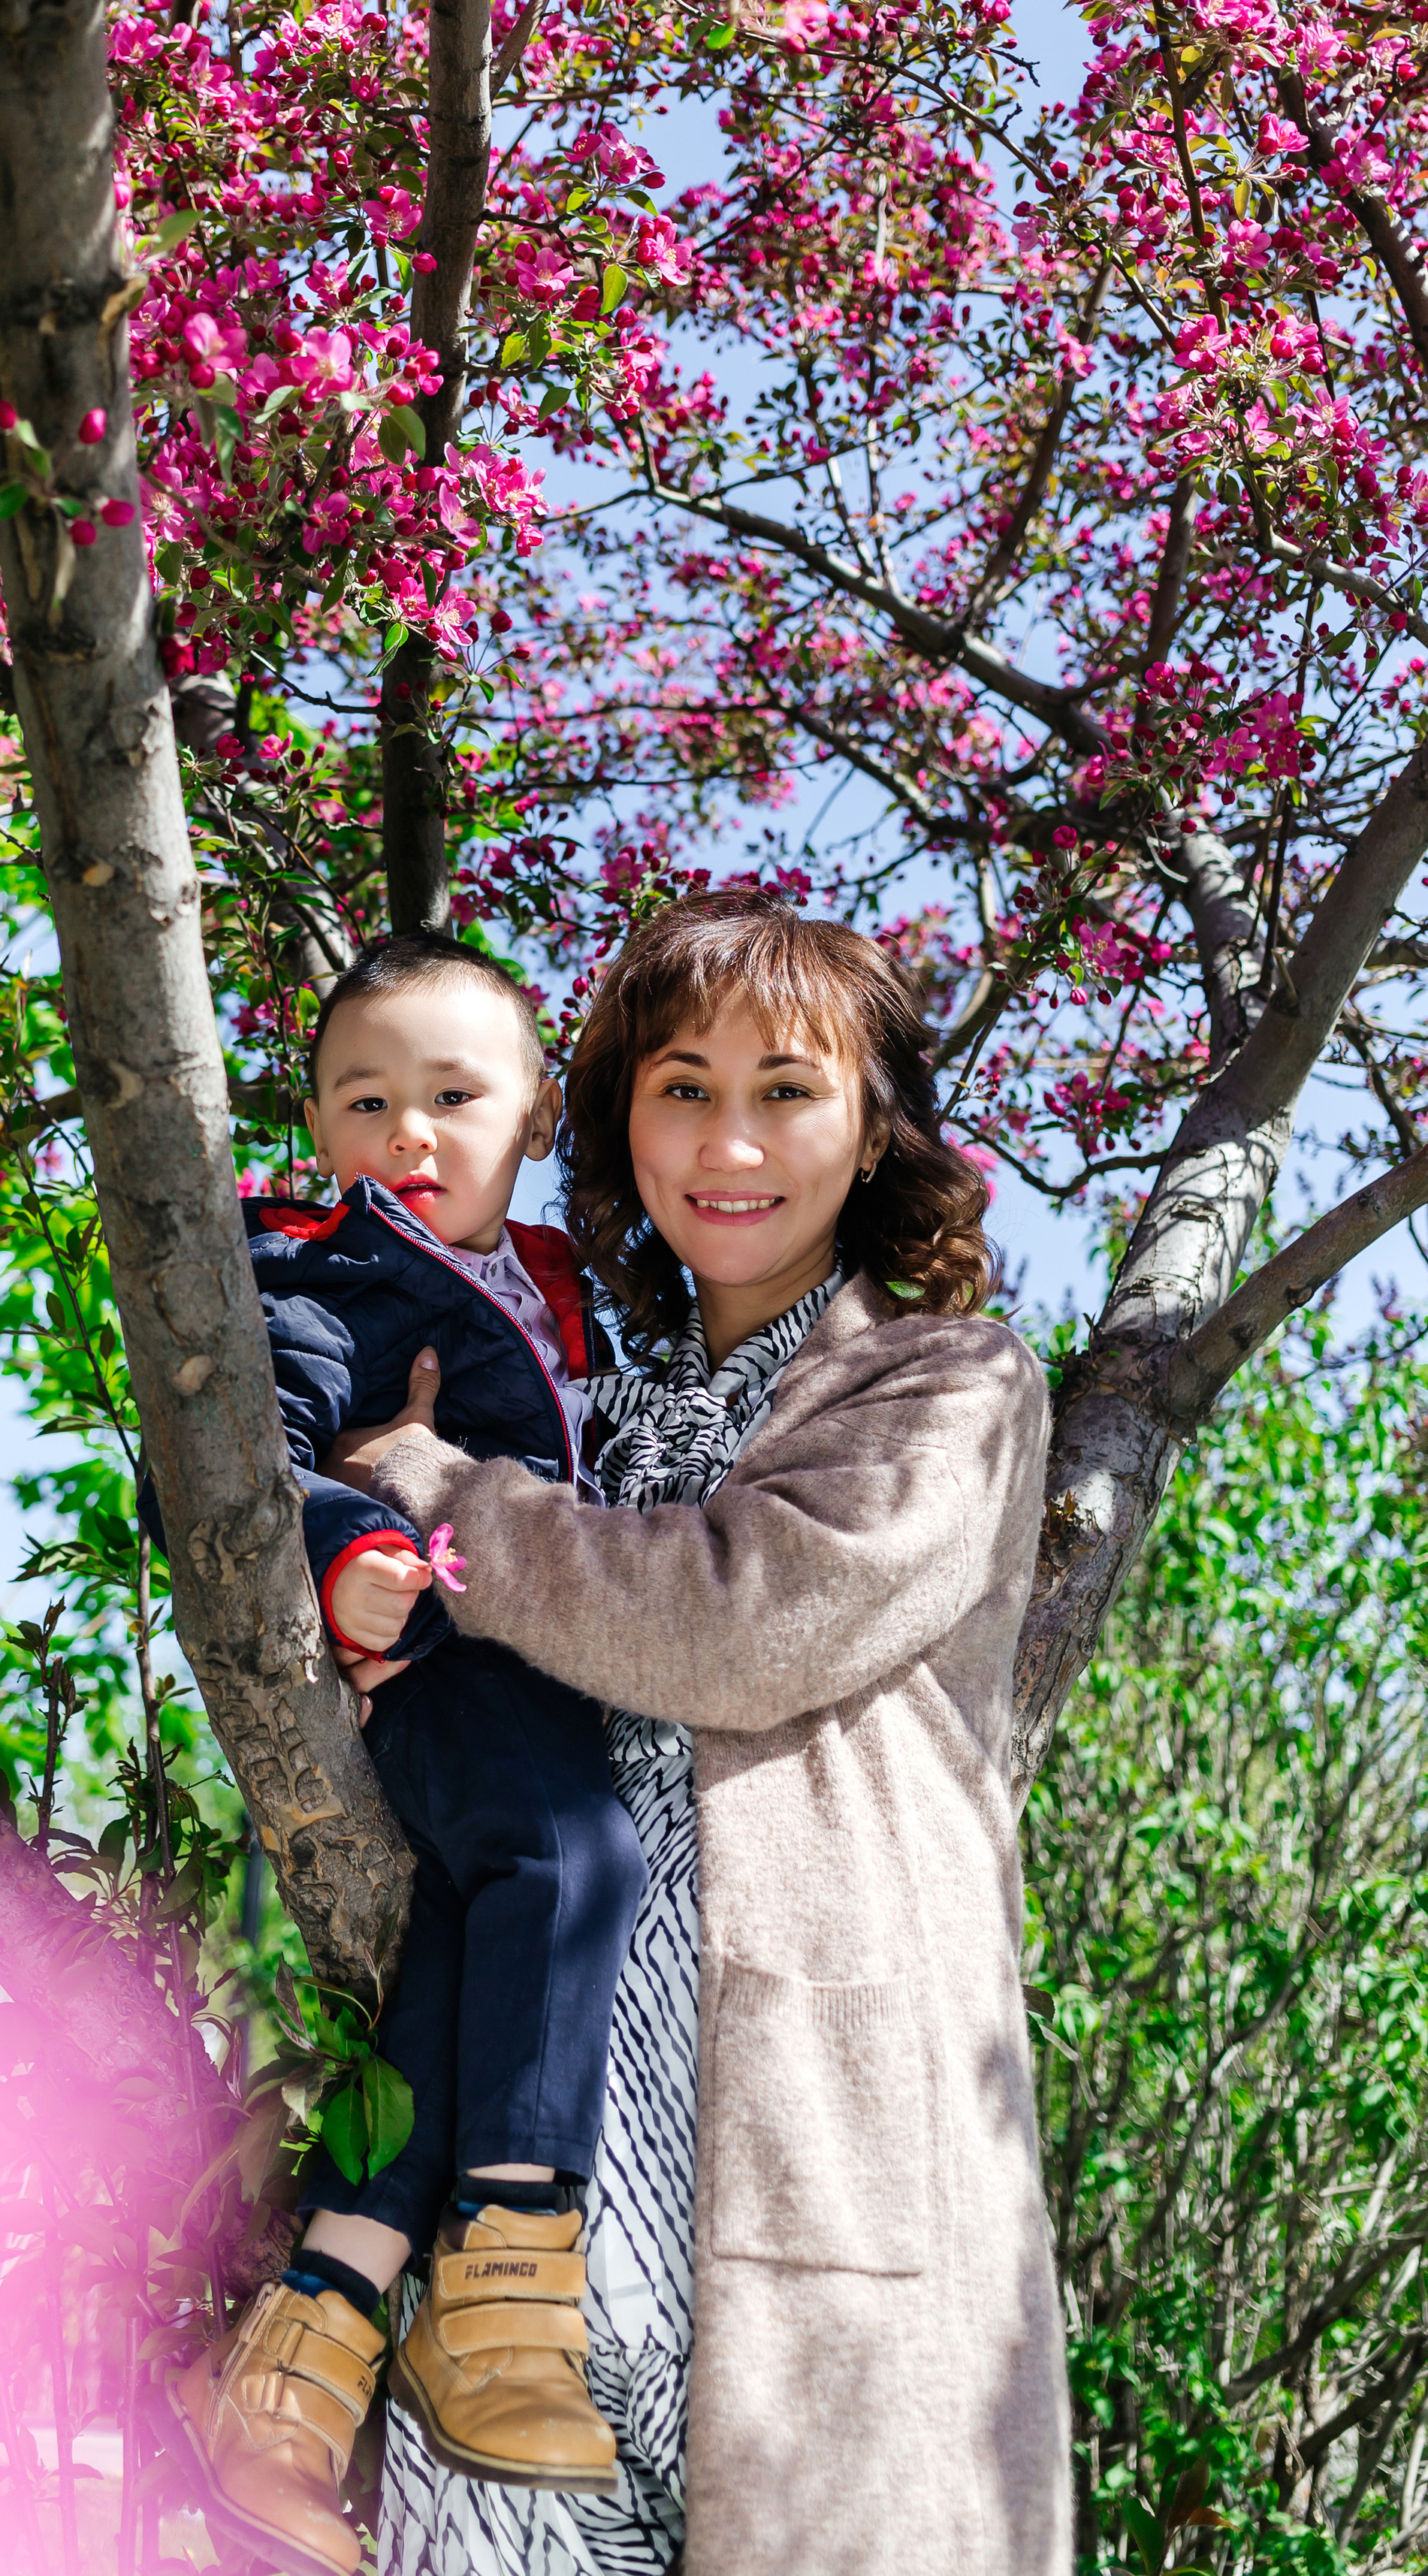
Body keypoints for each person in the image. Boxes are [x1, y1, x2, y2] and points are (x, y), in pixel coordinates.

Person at [342, 889, 1072, 2576]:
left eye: (785, 1089)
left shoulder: (940, 1388)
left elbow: (745, 1622)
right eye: (680, 1086)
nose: (726, 1140)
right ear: (612, 1120)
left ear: (874, 1125)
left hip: (810, 2144)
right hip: (538, 2144)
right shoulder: (575, 1394)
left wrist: (448, 1506)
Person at [172, 934, 650, 2576]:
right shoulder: (320, 1268)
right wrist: (336, 1557)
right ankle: (508, 2294)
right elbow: (255, 1456)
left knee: (452, 1981)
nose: (408, 1134)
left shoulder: (564, 1278)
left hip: (550, 1661)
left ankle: (302, 2357)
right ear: (311, 1120)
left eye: (455, 1095)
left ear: (531, 1111)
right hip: (444, 1656)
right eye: (363, 1100)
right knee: (573, 1861)